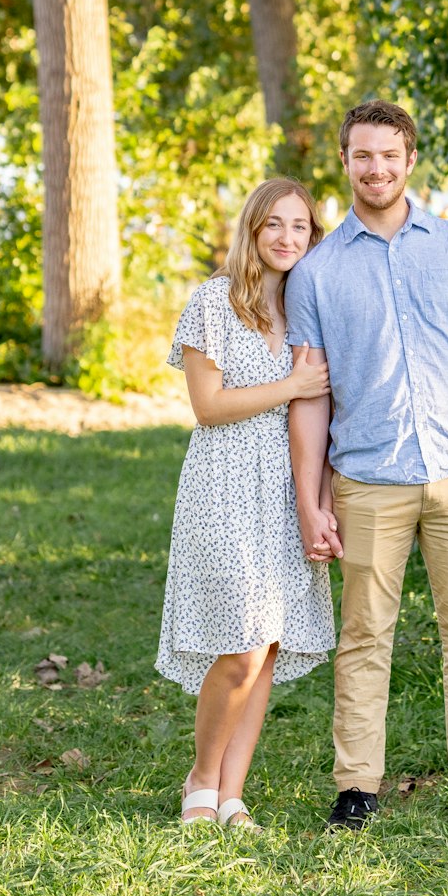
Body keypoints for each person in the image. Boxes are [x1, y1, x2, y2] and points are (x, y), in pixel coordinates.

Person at [285, 101, 448, 832]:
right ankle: (357, 787)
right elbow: (312, 396)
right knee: (363, 637)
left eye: (388, 155)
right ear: (346, 162)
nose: (376, 168)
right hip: (367, 479)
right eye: (362, 156)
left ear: (410, 159)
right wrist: (310, 498)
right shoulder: (316, 272)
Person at [156, 178, 335, 826]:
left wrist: (322, 498)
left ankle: (232, 795)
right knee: (239, 646)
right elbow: (207, 408)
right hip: (224, 485)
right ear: (252, 231)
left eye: (301, 227)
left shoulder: (309, 312)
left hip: (288, 489)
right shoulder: (213, 300)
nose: (288, 238)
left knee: (268, 645)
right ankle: (200, 779)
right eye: (275, 225)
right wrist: (290, 384)